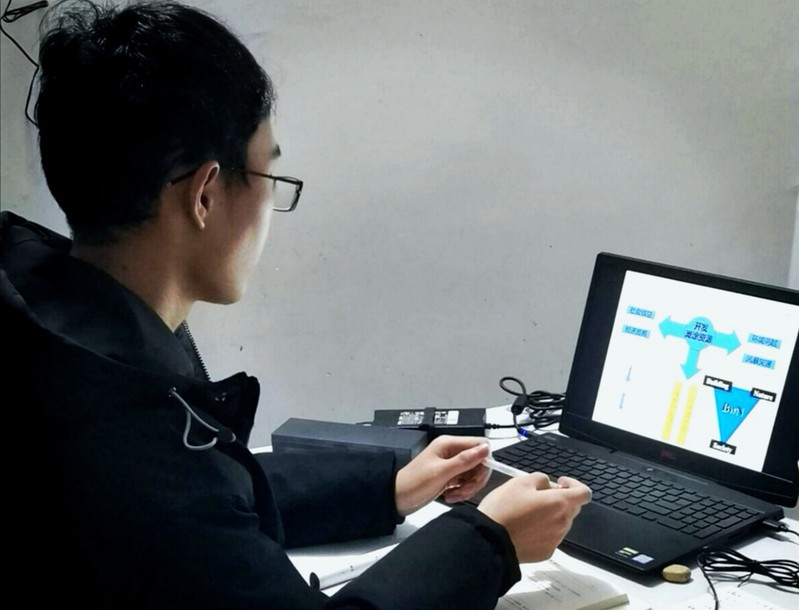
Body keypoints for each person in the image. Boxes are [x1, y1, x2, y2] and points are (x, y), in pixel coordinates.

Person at [0, 1, 591, 608]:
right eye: (271, 179)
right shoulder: (128, 437)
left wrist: (387, 486)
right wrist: (491, 541)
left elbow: (212, 506)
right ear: (205, 196)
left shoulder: (50, 325)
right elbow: (182, 500)